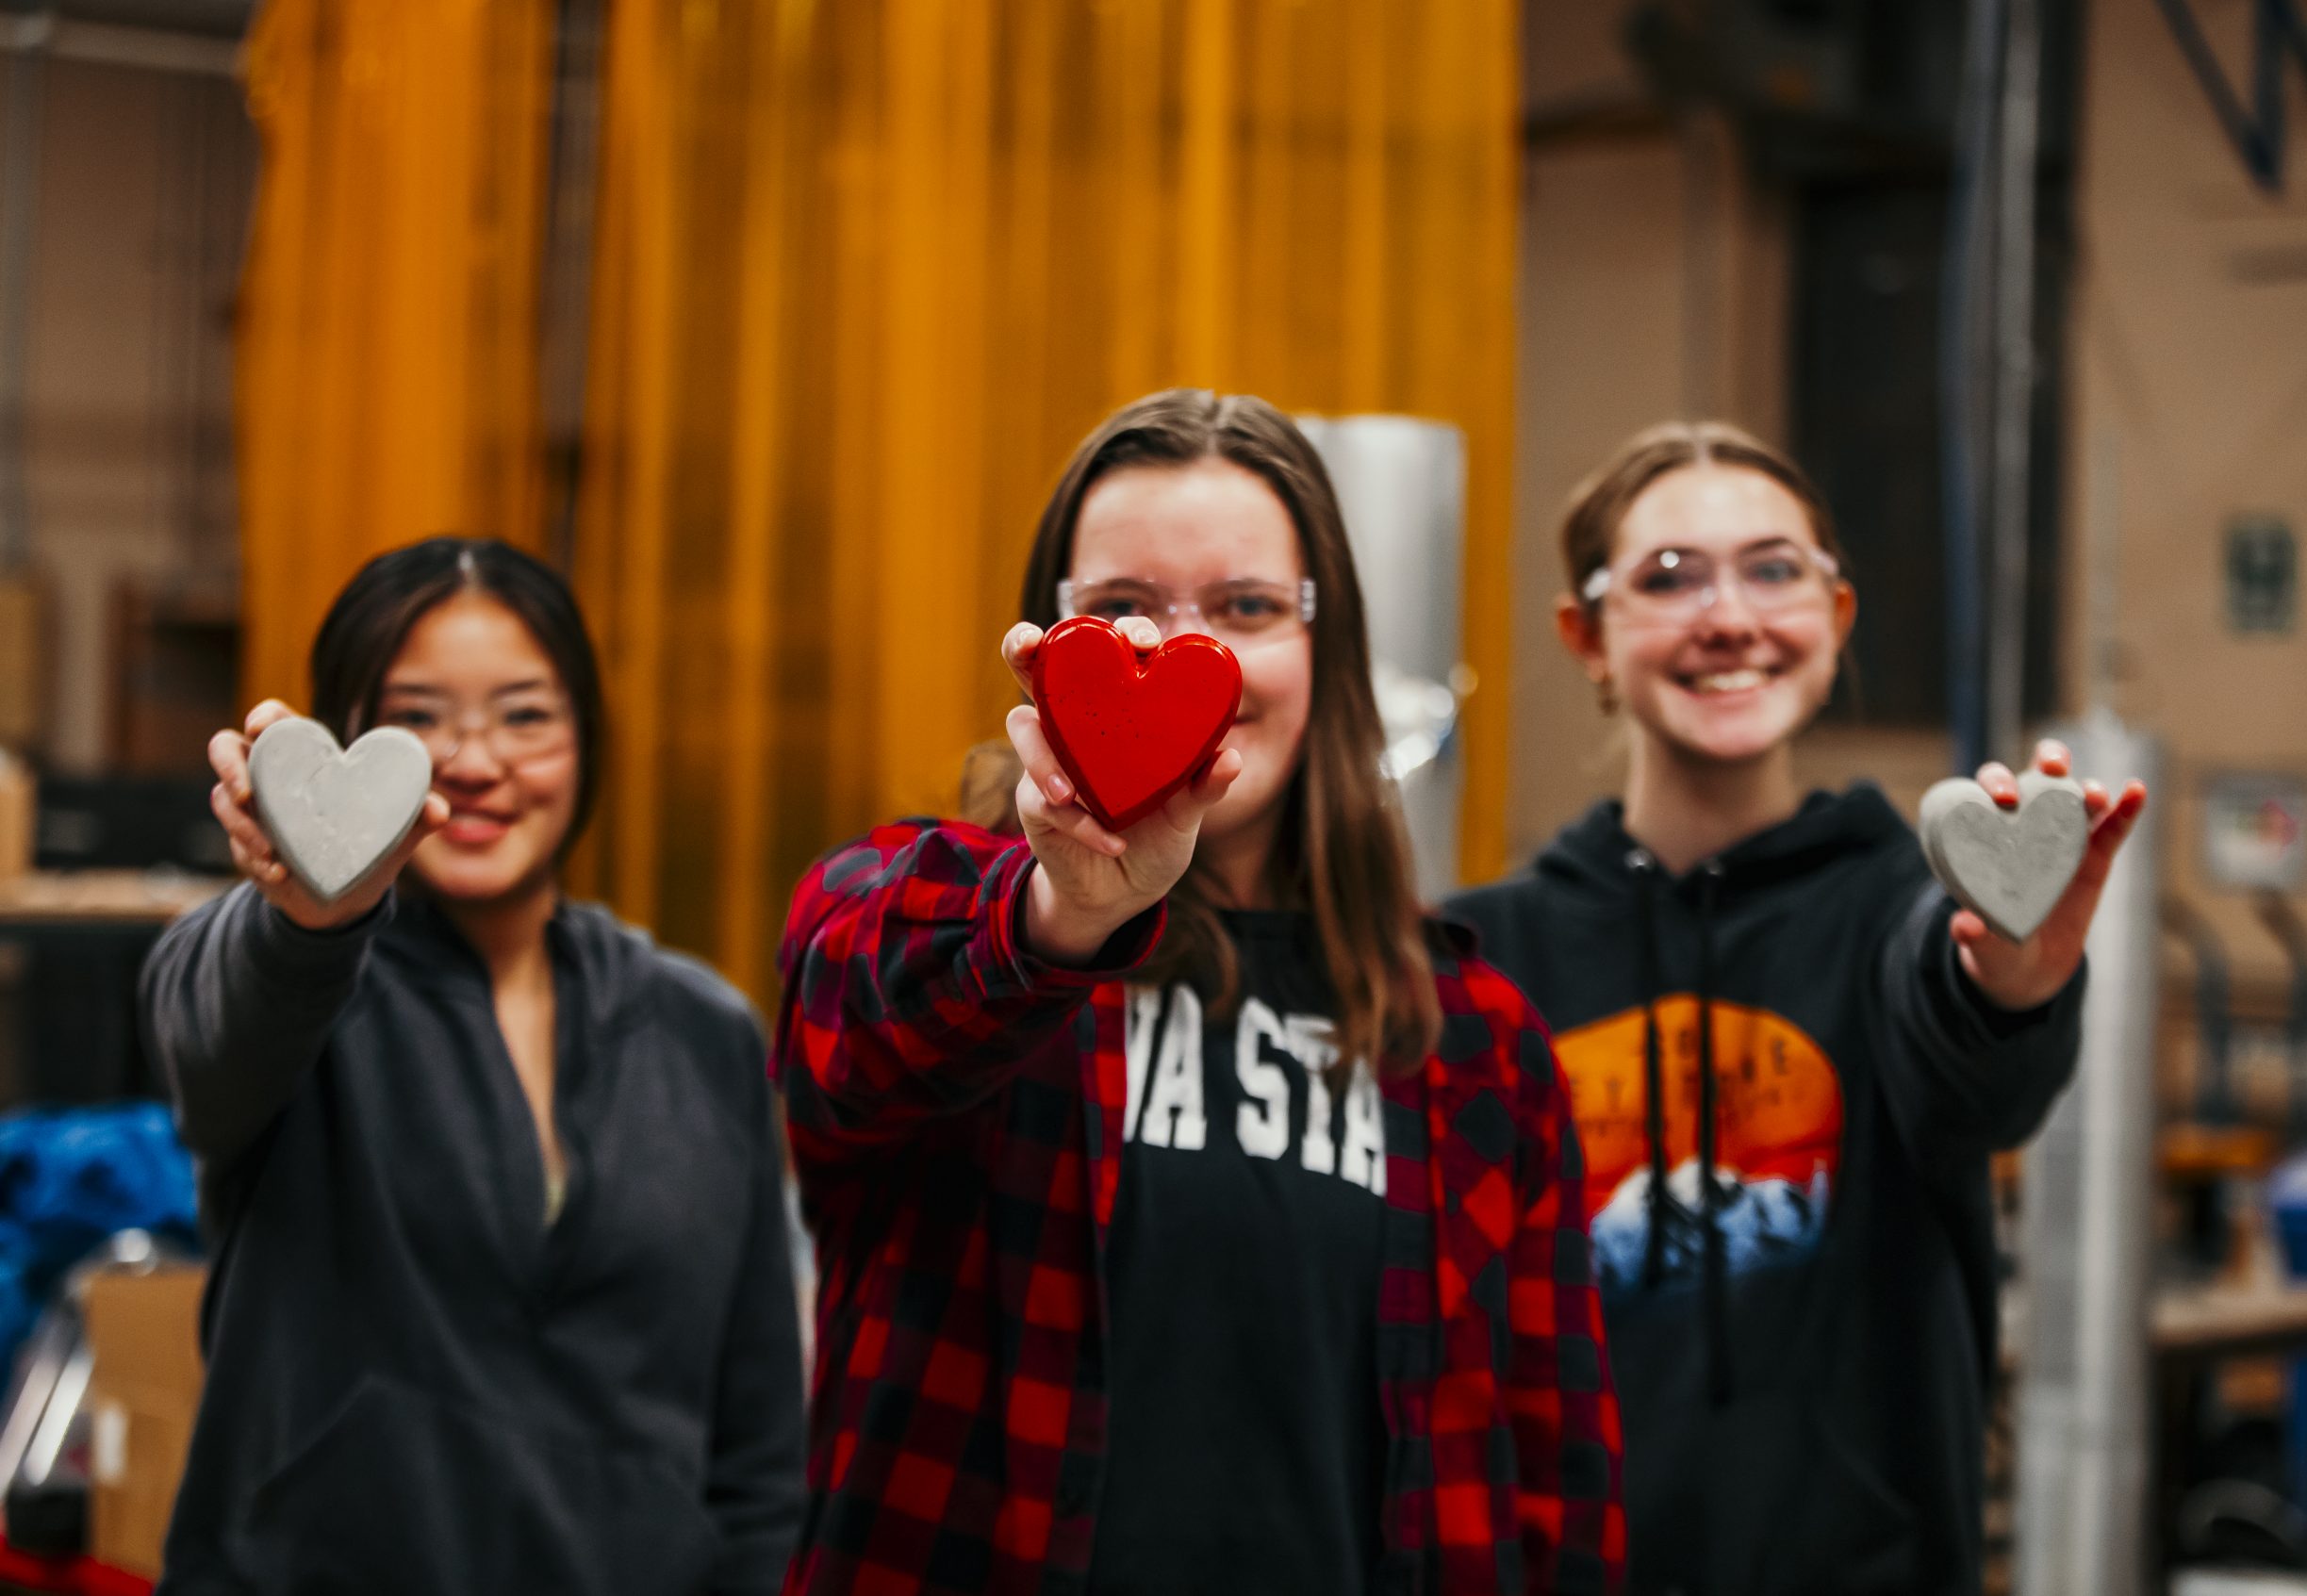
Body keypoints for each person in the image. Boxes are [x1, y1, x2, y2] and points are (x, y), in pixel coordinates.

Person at [773, 390, 1623, 1595]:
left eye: (1247, 607)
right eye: (1121, 606)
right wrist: (1067, 916)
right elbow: (848, 1035)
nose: (1187, 650)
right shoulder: (924, 909)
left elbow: (1555, 1486)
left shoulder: (1474, 1036)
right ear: (1042, 643)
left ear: (1327, 646)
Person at [1446, 421, 2148, 1596]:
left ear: (1836, 618)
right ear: (1586, 637)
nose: (1729, 615)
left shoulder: (1900, 907)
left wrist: (2011, 973)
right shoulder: (1481, 952)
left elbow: (1968, 1042)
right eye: (1668, 577)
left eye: (1774, 569)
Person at [141, 538, 804, 1595]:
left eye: (525, 714)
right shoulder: (287, 986)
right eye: (416, 716)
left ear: (587, 733)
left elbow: (760, 1449)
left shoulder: (702, 1030)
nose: (476, 758)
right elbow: (211, 1031)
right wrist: (312, 916)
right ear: (344, 742)